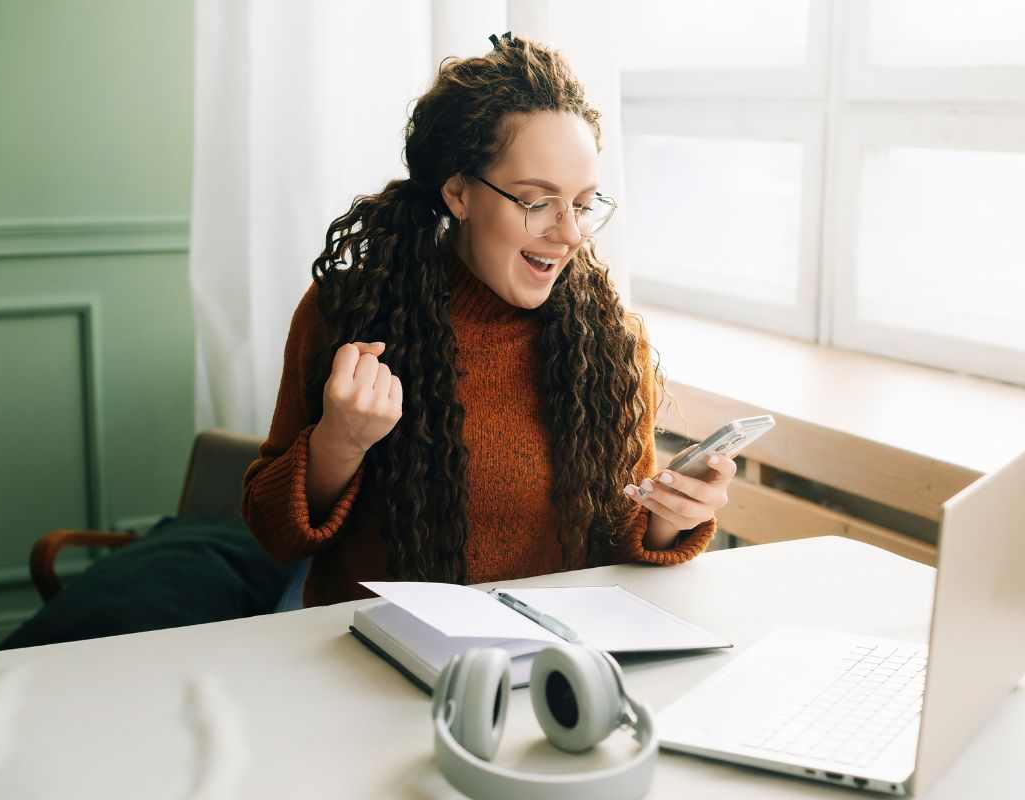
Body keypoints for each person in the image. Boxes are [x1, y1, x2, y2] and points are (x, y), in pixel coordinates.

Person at [242, 32, 736, 610]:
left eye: (581, 204)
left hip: (555, 664)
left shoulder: (609, 340)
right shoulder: (348, 313)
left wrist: (671, 519)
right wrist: (338, 443)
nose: (569, 233)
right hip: (380, 659)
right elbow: (273, 533)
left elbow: (616, 543)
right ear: (458, 193)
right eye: (535, 201)